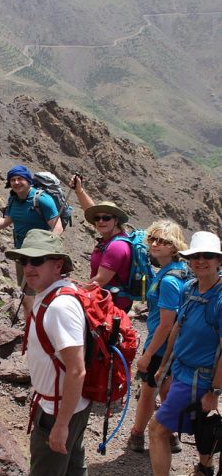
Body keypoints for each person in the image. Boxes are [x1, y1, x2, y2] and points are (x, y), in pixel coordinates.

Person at [5, 229, 90, 475]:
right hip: (69, 405)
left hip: (59, 409)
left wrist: (61, 425)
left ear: (58, 264)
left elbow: (77, 370)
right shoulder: (51, 294)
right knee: (74, 466)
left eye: (38, 260)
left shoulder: (60, 306)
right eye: (25, 261)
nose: (29, 267)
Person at [149, 231, 222, 476]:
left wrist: (215, 392)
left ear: (218, 261)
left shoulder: (220, 300)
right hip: (181, 370)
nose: (201, 261)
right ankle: (205, 467)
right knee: (202, 426)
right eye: (196, 256)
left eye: (208, 256)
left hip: (200, 378)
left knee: (157, 429)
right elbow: (177, 328)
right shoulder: (191, 288)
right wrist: (165, 366)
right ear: (189, 260)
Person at [0, 165, 63, 319]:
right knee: (29, 293)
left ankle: (35, 329)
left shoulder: (42, 199)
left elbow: (57, 227)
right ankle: (33, 329)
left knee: (31, 294)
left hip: (41, 256)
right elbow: (7, 220)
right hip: (22, 254)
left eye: (20, 179)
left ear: (28, 180)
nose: (16, 183)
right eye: (12, 180)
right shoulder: (13, 199)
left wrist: (46, 252)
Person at [128, 220, 188, 453]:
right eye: (153, 239)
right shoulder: (174, 272)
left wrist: (148, 354)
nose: (155, 244)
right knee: (165, 389)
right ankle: (170, 435)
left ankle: (137, 435)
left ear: (174, 247)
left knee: (147, 391)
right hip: (173, 347)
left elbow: (166, 324)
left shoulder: (169, 280)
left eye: (163, 241)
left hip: (160, 347)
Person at [70, 174, 132, 312]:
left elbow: (100, 280)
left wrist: (74, 294)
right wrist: (79, 190)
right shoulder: (109, 237)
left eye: (106, 218)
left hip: (111, 304)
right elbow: (89, 209)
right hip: (105, 299)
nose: (100, 221)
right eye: (97, 218)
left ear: (116, 220)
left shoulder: (117, 246)